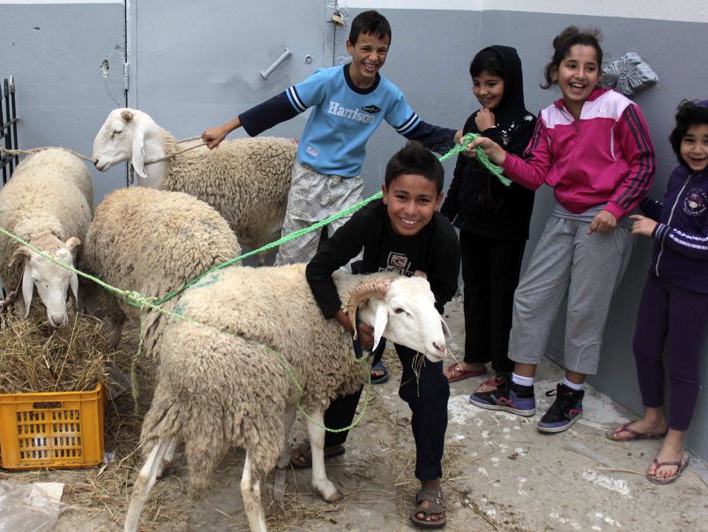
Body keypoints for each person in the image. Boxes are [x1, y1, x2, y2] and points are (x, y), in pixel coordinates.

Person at [202, 10, 460, 385]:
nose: (373, 57)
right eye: (366, 48)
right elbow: (278, 107)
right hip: (310, 178)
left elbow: (415, 129)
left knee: (357, 264)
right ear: (351, 46)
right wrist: (226, 129)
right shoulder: (327, 81)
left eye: (382, 50)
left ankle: (361, 345)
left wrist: (457, 138)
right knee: (296, 259)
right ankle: (282, 334)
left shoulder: (387, 95)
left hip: (347, 185)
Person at [465, 26, 655, 433]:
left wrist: (616, 208)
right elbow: (534, 174)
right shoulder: (549, 118)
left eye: (590, 67)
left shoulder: (620, 108)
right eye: (572, 65)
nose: (580, 75)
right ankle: (519, 389)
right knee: (531, 297)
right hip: (564, 216)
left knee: (585, 310)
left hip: (605, 221)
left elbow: (643, 164)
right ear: (556, 69)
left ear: (599, 73)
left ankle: (571, 396)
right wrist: (498, 152)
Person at [292, 141, 459, 528]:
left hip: (411, 319)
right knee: (348, 370)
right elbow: (318, 269)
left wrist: (423, 290)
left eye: (423, 200)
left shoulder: (446, 239)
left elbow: (445, 293)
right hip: (368, 310)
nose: (411, 210)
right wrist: (349, 321)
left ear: (439, 201)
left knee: (429, 388)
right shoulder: (369, 219)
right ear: (384, 194)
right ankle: (333, 439)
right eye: (401, 197)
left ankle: (430, 480)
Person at [608, 99, 708, 484]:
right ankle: (654, 417)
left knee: (681, 364)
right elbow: (668, 216)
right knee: (644, 348)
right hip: (659, 279)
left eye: (705, 141)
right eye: (689, 140)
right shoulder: (681, 177)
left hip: (694, 290)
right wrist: (637, 200)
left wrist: (658, 231)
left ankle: (676, 442)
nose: (697, 149)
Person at [439, 45, 536, 394]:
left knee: (501, 295)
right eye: (477, 83)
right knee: (474, 292)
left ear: (510, 82)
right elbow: (462, 172)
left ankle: (504, 368)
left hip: (507, 228)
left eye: (491, 83)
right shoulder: (474, 120)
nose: (483, 91)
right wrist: (445, 216)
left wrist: (491, 134)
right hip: (474, 223)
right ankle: (475, 357)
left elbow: (510, 175)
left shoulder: (527, 125)